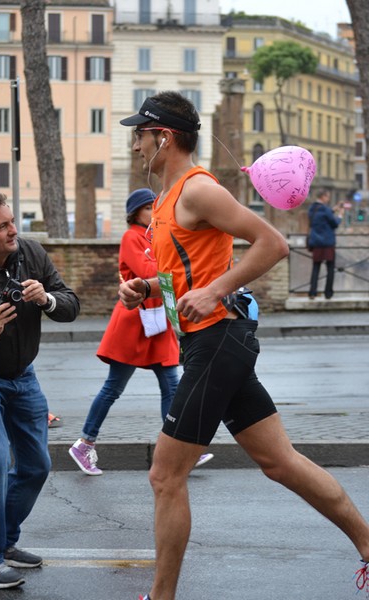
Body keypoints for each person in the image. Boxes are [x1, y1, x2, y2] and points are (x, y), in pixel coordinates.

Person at [118, 91, 369, 600]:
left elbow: (273, 244)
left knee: (165, 475)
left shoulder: (198, 189)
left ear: (163, 137)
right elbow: (182, 271)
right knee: (280, 462)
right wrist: (146, 288)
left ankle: (160, 598)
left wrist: (215, 289)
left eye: (140, 134)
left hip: (218, 340)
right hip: (207, 344)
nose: (135, 144)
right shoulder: (166, 200)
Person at [0, 192, 80, 589]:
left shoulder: (30, 253)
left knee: (36, 465)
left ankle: (3, 543)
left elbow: (70, 304)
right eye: (2, 226)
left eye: (12, 221)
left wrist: (46, 299)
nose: (14, 230)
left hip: (23, 375)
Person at [69, 188, 213, 476]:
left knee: (172, 387)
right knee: (113, 388)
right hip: (134, 320)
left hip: (158, 321)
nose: (153, 212)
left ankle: (179, 451)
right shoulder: (131, 236)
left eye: (155, 207)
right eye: (148, 208)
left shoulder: (154, 235)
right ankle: (84, 444)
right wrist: (172, 262)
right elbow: (149, 270)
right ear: (136, 212)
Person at [307, 188, 344, 300]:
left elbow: (321, 217)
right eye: (327, 197)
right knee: (330, 268)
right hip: (327, 243)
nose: (328, 199)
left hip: (316, 242)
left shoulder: (312, 209)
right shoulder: (326, 210)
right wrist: (340, 215)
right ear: (323, 196)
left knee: (316, 268)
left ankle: (312, 292)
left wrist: (333, 210)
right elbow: (334, 223)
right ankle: (328, 293)